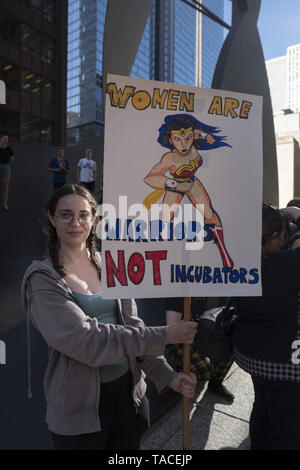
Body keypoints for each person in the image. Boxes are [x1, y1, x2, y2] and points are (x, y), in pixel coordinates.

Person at [21, 184, 197, 450]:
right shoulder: (42, 279)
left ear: (94, 219)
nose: (75, 223)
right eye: (66, 214)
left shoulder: (110, 264)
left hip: (130, 399)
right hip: (79, 412)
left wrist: (167, 374)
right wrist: (165, 334)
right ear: (51, 217)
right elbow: (85, 341)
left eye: (83, 215)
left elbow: (133, 326)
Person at [233, 202, 300, 450]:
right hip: (284, 363)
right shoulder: (284, 265)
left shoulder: (238, 262)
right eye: (280, 236)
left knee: (261, 407)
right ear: (273, 238)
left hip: (252, 356)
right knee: (287, 430)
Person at [143, 114, 233, 268]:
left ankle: (224, 254)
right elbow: (150, 178)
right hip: (175, 185)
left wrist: (207, 136)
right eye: (177, 139)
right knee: (166, 220)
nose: (183, 143)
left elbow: (196, 132)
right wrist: (175, 185)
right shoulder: (169, 158)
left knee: (210, 214)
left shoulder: (192, 141)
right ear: (170, 140)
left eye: (187, 138)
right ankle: (164, 261)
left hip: (192, 183)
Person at [165, 297, 234, 403]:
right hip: (178, 339)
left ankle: (215, 383)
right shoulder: (177, 293)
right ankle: (182, 372)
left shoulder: (208, 288)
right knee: (204, 370)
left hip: (202, 333)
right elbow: (172, 329)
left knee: (231, 345)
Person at [0, 134, 14, 210]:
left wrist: (7, 165)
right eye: (5, 139)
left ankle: (5, 205)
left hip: (6, 167)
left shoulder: (9, 148)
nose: (6, 140)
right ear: (1, 139)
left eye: (7, 139)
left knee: (5, 187)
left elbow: (12, 158)